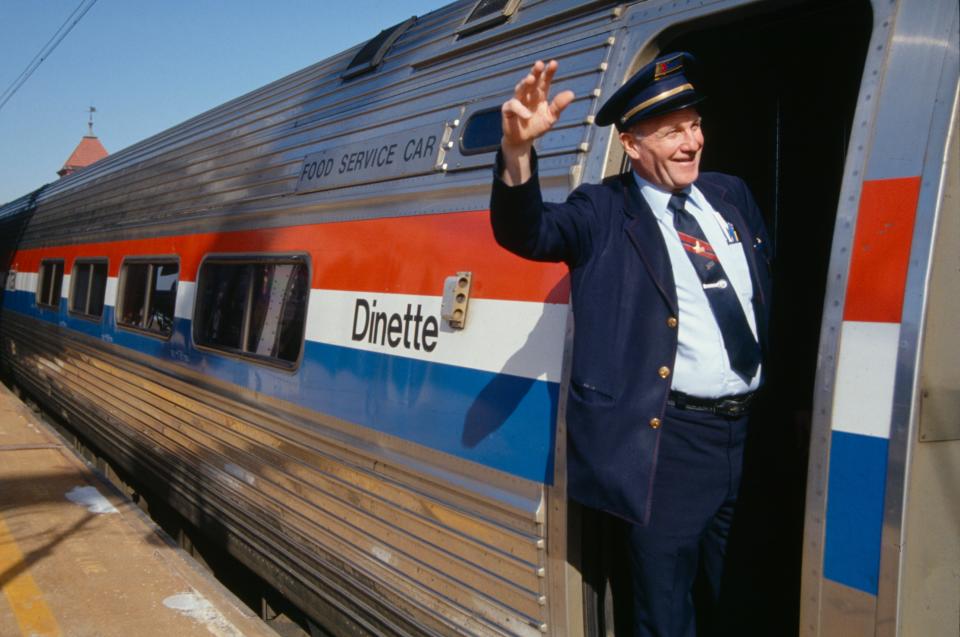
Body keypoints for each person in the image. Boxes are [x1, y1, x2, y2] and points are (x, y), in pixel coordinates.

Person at [490, 53, 772, 636]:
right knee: (665, 610)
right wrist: (518, 153)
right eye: (671, 132)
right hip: (668, 445)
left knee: (743, 594)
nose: (691, 142)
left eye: (694, 125)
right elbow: (529, 231)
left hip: (746, 435)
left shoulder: (731, 196)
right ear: (632, 143)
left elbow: (761, 301)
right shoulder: (602, 210)